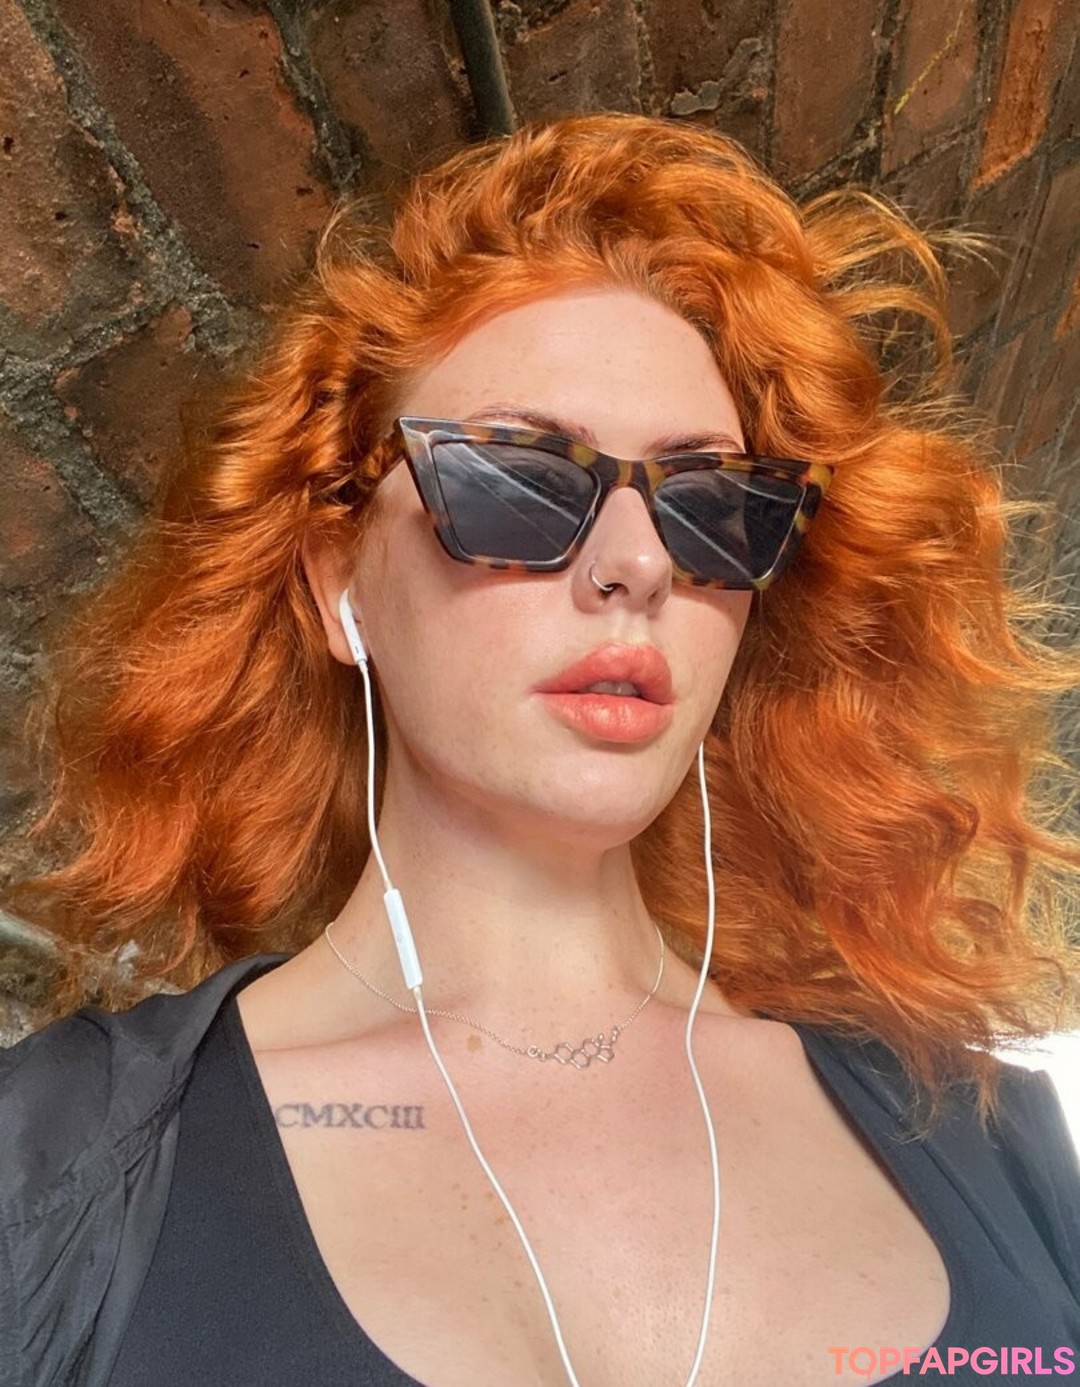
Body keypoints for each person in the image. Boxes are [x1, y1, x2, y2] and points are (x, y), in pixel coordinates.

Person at [1, 112, 1079, 1387]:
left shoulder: (992, 1135)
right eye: (515, 482)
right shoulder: (45, 1166)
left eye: (709, 506)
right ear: (338, 583)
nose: (636, 564)